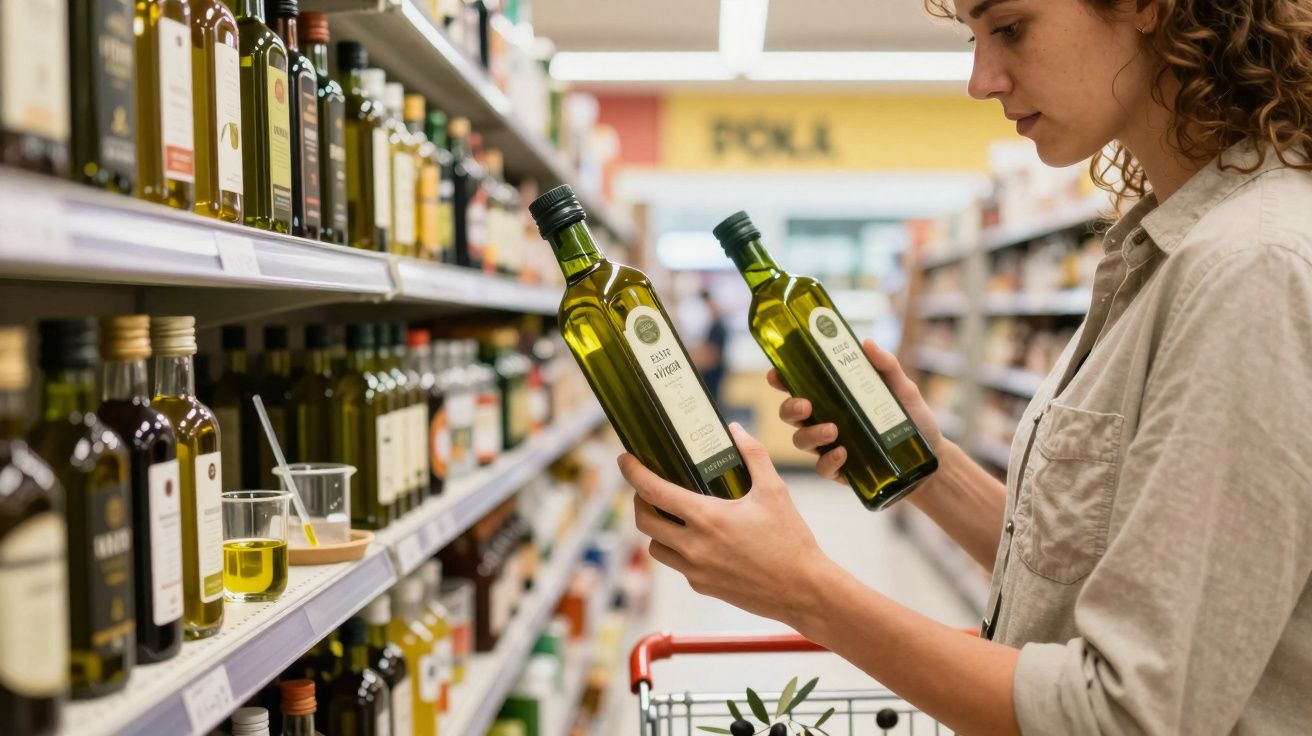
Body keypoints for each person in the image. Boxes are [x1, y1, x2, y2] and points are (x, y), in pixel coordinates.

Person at [617, 1, 1312, 733]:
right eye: (973, 38)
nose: (980, 80)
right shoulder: (1163, 246)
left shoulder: (1253, 269)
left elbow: (1125, 717)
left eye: (1010, 27)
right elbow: (1082, 566)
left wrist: (800, 586)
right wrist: (928, 463)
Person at [691, 289, 729, 404]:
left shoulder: (718, 326)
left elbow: (713, 355)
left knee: (712, 402)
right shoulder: (715, 324)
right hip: (714, 371)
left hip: (713, 373)